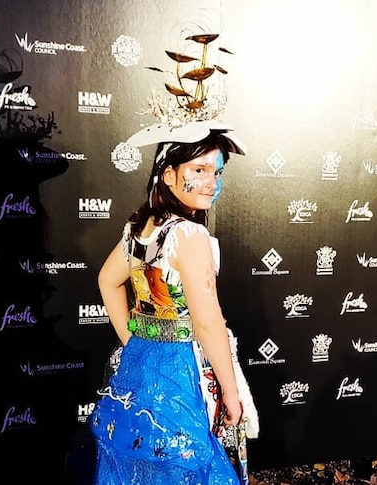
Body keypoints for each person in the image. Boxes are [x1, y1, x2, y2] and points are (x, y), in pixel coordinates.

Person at [89, 121, 257, 484]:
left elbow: (108, 280)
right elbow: (209, 323)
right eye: (199, 170)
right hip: (181, 369)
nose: (212, 182)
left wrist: (131, 341)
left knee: (142, 461)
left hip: (138, 363)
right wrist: (231, 392)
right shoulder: (189, 234)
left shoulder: (142, 228)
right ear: (168, 175)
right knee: (185, 463)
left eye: (218, 172)